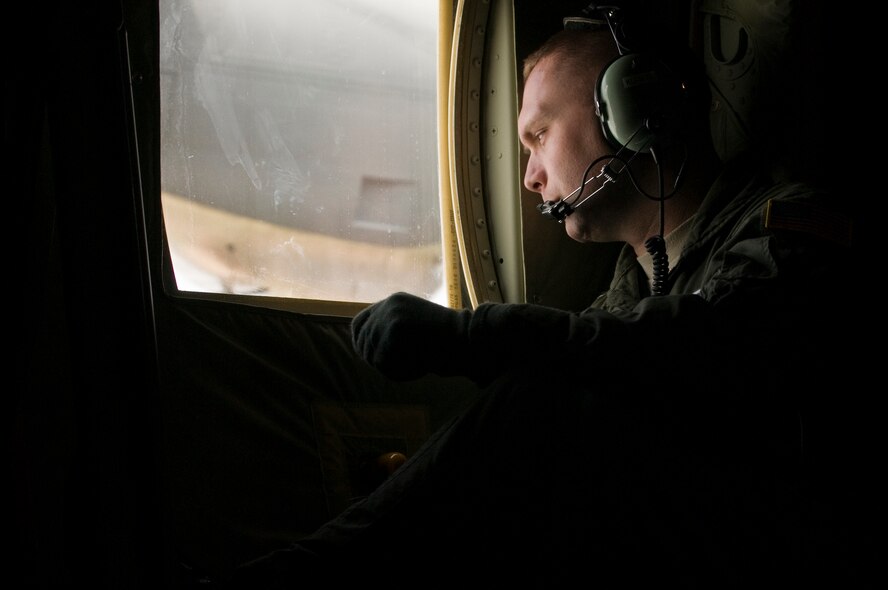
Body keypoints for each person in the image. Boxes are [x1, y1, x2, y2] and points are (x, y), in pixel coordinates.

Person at [221, 6, 866, 588]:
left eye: (538, 137)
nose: (530, 177)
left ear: (631, 115)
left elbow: (708, 345)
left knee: (543, 400)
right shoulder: (630, 288)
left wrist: (475, 335)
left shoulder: (791, 221)